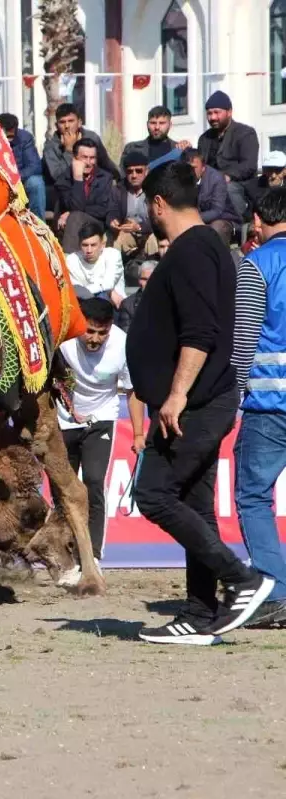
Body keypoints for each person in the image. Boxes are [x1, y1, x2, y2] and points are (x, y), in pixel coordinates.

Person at [127, 161, 274, 645]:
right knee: (195, 504)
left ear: (158, 203)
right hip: (203, 398)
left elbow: (200, 332)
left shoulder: (192, 250)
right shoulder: (207, 246)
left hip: (195, 402)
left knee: (153, 494)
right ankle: (199, 613)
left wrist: (176, 395)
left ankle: (242, 579)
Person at [230, 186, 286, 627]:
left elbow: (244, 340)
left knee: (252, 496)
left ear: (257, 221)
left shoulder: (256, 265)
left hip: (270, 404)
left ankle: (276, 591)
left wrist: (230, 394)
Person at [54, 299, 134, 587]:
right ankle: (66, 559)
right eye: (89, 331)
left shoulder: (123, 345)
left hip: (101, 418)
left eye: (102, 333)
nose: (95, 339)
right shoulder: (62, 340)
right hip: (63, 420)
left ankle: (93, 556)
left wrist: (139, 435)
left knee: (94, 483)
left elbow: (131, 391)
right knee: (62, 489)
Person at [197, 91, 259, 221]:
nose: (213, 117)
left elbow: (249, 166)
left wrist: (227, 176)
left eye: (217, 112)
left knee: (228, 188)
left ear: (229, 112)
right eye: (209, 113)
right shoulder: (204, 138)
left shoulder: (245, 133)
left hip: (239, 185)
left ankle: (238, 223)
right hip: (210, 185)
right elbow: (200, 165)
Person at [43, 103, 120, 204]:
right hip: (65, 192)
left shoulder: (91, 137)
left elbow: (105, 162)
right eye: (62, 122)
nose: (67, 126)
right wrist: (69, 151)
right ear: (56, 125)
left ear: (79, 122)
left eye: (71, 121)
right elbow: (58, 177)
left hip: (93, 186)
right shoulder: (51, 147)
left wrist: (121, 177)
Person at [55, 139, 116, 253]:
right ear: (75, 158)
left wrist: (70, 213)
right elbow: (75, 206)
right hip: (70, 225)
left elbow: (102, 210)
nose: (88, 162)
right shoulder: (64, 180)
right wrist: (78, 179)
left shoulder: (105, 178)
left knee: (75, 216)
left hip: (96, 223)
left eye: (92, 158)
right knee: (75, 217)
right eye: (84, 157)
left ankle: (69, 259)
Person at [107, 152, 159, 264]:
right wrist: (113, 220)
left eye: (138, 171)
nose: (134, 175)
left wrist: (139, 227)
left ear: (146, 171)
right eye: (130, 171)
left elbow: (159, 219)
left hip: (151, 232)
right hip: (127, 232)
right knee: (116, 242)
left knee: (154, 241)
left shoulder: (155, 189)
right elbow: (112, 210)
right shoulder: (118, 190)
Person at [183, 147, 241, 244]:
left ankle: (219, 254)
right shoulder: (180, 179)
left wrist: (193, 219)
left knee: (216, 228)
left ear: (203, 167)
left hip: (223, 219)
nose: (190, 171)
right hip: (194, 219)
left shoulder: (216, 179)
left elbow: (217, 211)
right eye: (187, 168)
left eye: (194, 168)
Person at [65, 220, 125, 307]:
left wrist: (107, 290)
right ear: (79, 245)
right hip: (84, 304)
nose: (89, 250)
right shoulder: (71, 260)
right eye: (85, 245)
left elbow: (108, 283)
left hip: (114, 306)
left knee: (103, 295)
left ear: (102, 244)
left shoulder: (113, 255)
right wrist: (109, 291)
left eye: (93, 245)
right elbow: (75, 290)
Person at [0, 113, 44, 219]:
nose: (8, 140)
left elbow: (34, 166)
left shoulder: (25, 138)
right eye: (6, 136)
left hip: (20, 180)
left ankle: (38, 222)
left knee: (36, 183)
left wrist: (15, 178)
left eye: (11, 137)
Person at [120, 106, 190, 171]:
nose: (157, 127)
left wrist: (187, 149)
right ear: (147, 124)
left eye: (162, 123)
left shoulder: (179, 149)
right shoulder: (132, 149)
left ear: (170, 125)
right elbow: (122, 176)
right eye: (153, 123)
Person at [115, 260, 155, 333]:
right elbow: (126, 333)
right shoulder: (127, 305)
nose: (148, 283)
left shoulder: (171, 301)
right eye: (144, 279)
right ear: (139, 280)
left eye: (153, 279)